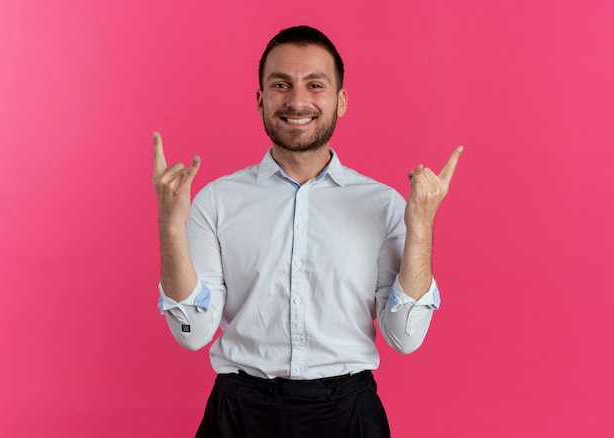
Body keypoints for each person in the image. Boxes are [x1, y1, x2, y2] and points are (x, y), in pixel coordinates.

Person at [153, 25, 463, 437]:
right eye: (281, 85)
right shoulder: (216, 201)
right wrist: (171, 226)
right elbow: (193, 334)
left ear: (341, 100)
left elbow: (405, 338)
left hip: (349, 415)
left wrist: (421, 227)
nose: (297, 101)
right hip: (239, 416)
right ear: (261, 100)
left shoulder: (384, 205)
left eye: (314, 84)